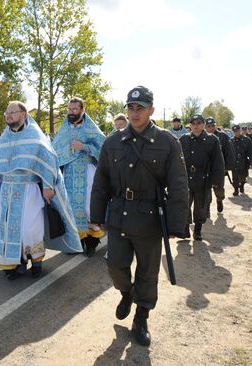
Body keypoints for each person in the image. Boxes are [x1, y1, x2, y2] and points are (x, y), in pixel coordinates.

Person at [90, 86, 189, 347]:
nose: (134, 113)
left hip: (149, 219)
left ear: (151, 110)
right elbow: (101, 181)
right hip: (119, 215)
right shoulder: (112, 142)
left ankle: (141, 317)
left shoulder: (168, 141)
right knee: (115, 265)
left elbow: (178, 184)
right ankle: (126, 291)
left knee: (147, 272)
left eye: (140, 108)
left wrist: (177, 224)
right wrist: (96, 215)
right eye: (131, 108)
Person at [0, 101, 82, 280]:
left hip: (29, 190)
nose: (8, 115)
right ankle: (17, 264)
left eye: (12, 112)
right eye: (6, 113)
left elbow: (48, 161)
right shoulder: (4, 137)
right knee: (11, 231)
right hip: (7, 191)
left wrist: (47, 186)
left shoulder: (35, 135)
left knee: (31, 229)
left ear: (23, 114)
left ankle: (36, 263)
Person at [52, 97, 105, 256]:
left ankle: (91, 243)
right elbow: (55, 150)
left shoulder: (91, 129)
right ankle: (76, 242)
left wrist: (84, 147)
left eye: (75, 109)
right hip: (68, 173)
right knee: (71, 207)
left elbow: (103, 149)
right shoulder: (64, 129)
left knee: (88, 207)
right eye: (69, 109)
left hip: (87, 171)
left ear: (82, 110)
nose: (71, 112)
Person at [179, 115, 224, 241]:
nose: (196, 126)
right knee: (184, 204)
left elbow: (218, 162)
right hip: (186, 178)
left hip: (203, 178)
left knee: (201, 206)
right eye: (193, 123)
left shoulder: (212, 140)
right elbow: (177, 160)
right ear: (190, 125)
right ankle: (185, 229)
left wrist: (217, 181)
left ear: (203, 124)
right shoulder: (183, 139)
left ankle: (197, 230)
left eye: (199, 123)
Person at [204, 117, 235, 214]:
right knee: (206, 190)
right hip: (206, 169)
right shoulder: (201, 137)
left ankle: (219, 200)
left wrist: (227, 167)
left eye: (213, 125)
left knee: (219, 189)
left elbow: (229, 152)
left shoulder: (223, 137)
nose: (211, 128)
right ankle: (207, 208)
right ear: (205, 127)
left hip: (219, 169)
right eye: (208, 126)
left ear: (215, 125)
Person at [231, 125, 252, 195]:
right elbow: (228, 152)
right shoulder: (231, 140)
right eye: (235, 131)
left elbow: (251, 150)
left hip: (244, 161)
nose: (237, 132)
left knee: (243, 176)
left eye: (238, 131)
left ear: (240, 130)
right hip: (234, 161)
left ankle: (242, 185)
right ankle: (236, 189)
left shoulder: (246, 139)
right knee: (235, 176)